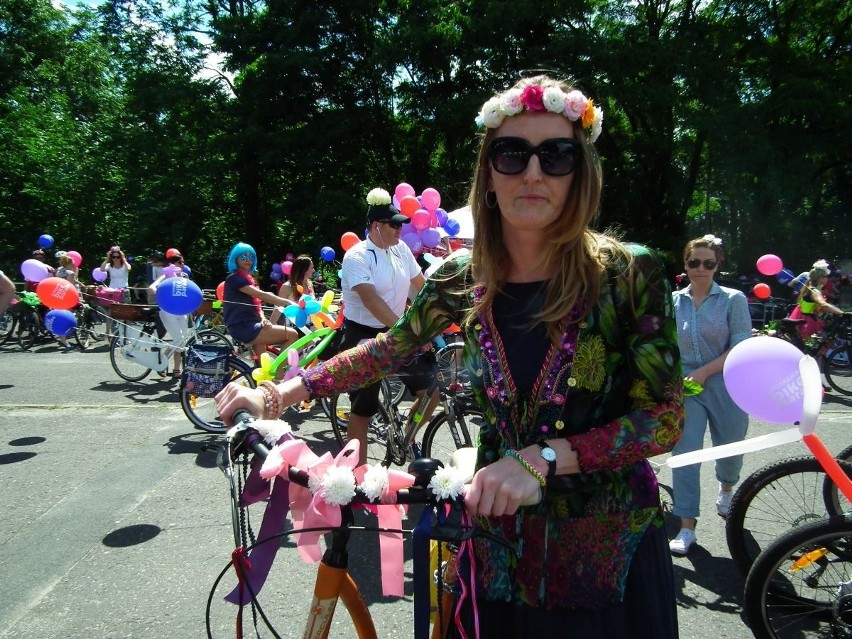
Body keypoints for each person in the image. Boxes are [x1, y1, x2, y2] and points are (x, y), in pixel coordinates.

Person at [216, 74, 683, 636]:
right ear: (489, 172)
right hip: (495, 546)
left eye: (556, 155)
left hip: (605, 556)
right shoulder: (462, 279)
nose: (533, 172)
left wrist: (547, 457)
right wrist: (278, 393)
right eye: (513, 154)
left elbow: (663, 419)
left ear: (581, 171)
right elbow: (389, 348)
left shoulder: (629, 273)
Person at [668, 234, 752, 555]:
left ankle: (726, 486)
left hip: (727, 384)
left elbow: (741, 346)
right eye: (694, 262)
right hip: (686, 386)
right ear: (686, 264)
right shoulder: (674, 301)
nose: (700, 269)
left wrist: (705, 372)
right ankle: (686, 526)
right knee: (685, 454)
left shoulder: (733, 299)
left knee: (730, 448)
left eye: (708, 263)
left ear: (718, 265)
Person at [221, 242, 298, 361]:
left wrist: (263, 319)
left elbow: (256, 304)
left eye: (251, 257)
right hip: (244, 327)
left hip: (252, 324)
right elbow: (261, 295)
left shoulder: (246, 279)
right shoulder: (235, 279)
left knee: (263, 361)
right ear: (235, 258)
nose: (248, 260)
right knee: (292, 334)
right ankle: (279, 372)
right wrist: (289, 303)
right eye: (243, 257)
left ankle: (264, 378)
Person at [148, 253, 191, 378]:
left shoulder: (184, 276)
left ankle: (176, 370)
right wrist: (161, 296)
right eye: (180, 263)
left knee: (181, 341)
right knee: (178, 340)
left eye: (183, 262)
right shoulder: (166, 275)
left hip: (181, 311)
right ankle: (161, 361)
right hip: (168, 311)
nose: (182, 265)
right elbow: (152, 287)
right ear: (172, 265)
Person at [788, 261, 845, 341]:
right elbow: (824, 304)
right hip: (807, 322)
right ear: (820, 278)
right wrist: (842, 313)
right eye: (826, 276)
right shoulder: (815, 291)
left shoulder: (808, 287)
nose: (827, 278)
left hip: (802, 318)